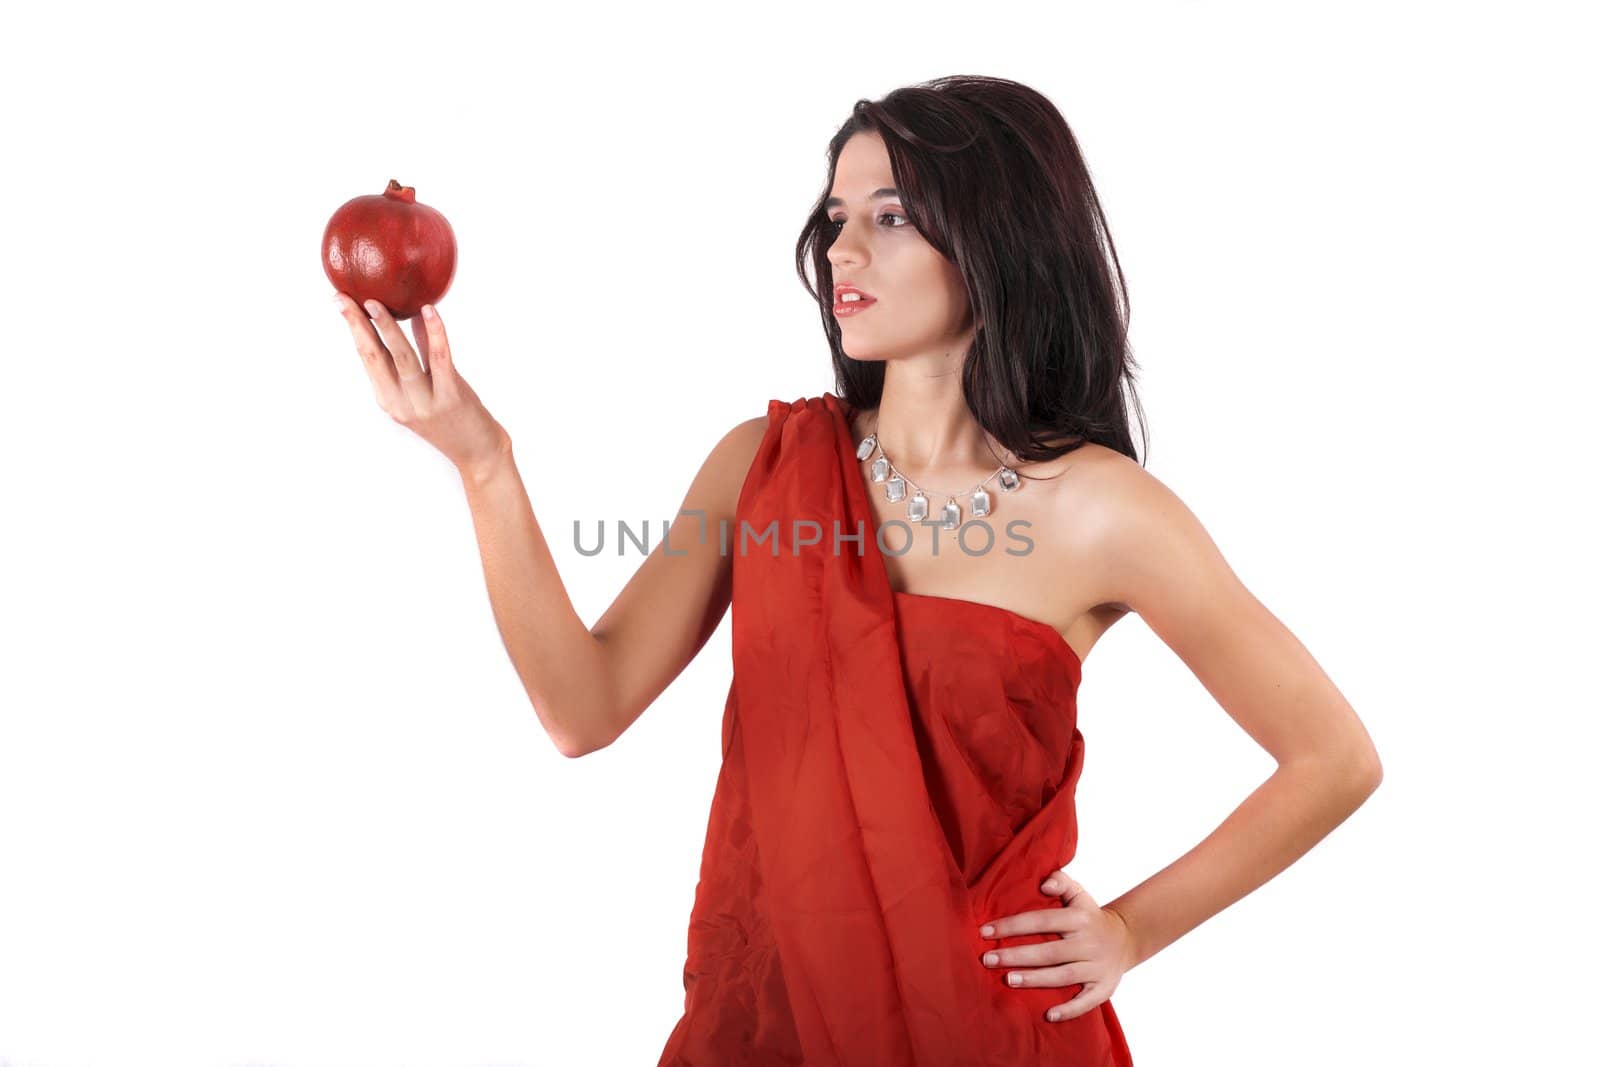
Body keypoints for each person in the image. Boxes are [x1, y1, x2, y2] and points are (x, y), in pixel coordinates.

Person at [333, 74, 1383, 1067]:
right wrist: (483, 462)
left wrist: (1128, 928)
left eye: (889, 215)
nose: (843, 249)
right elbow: (583, 706)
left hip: (985, 1025)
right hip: (764, 1024)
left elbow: (1333, 757)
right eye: (834, 216)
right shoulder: (765, 464)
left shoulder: (1102, 508)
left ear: (998, 238)